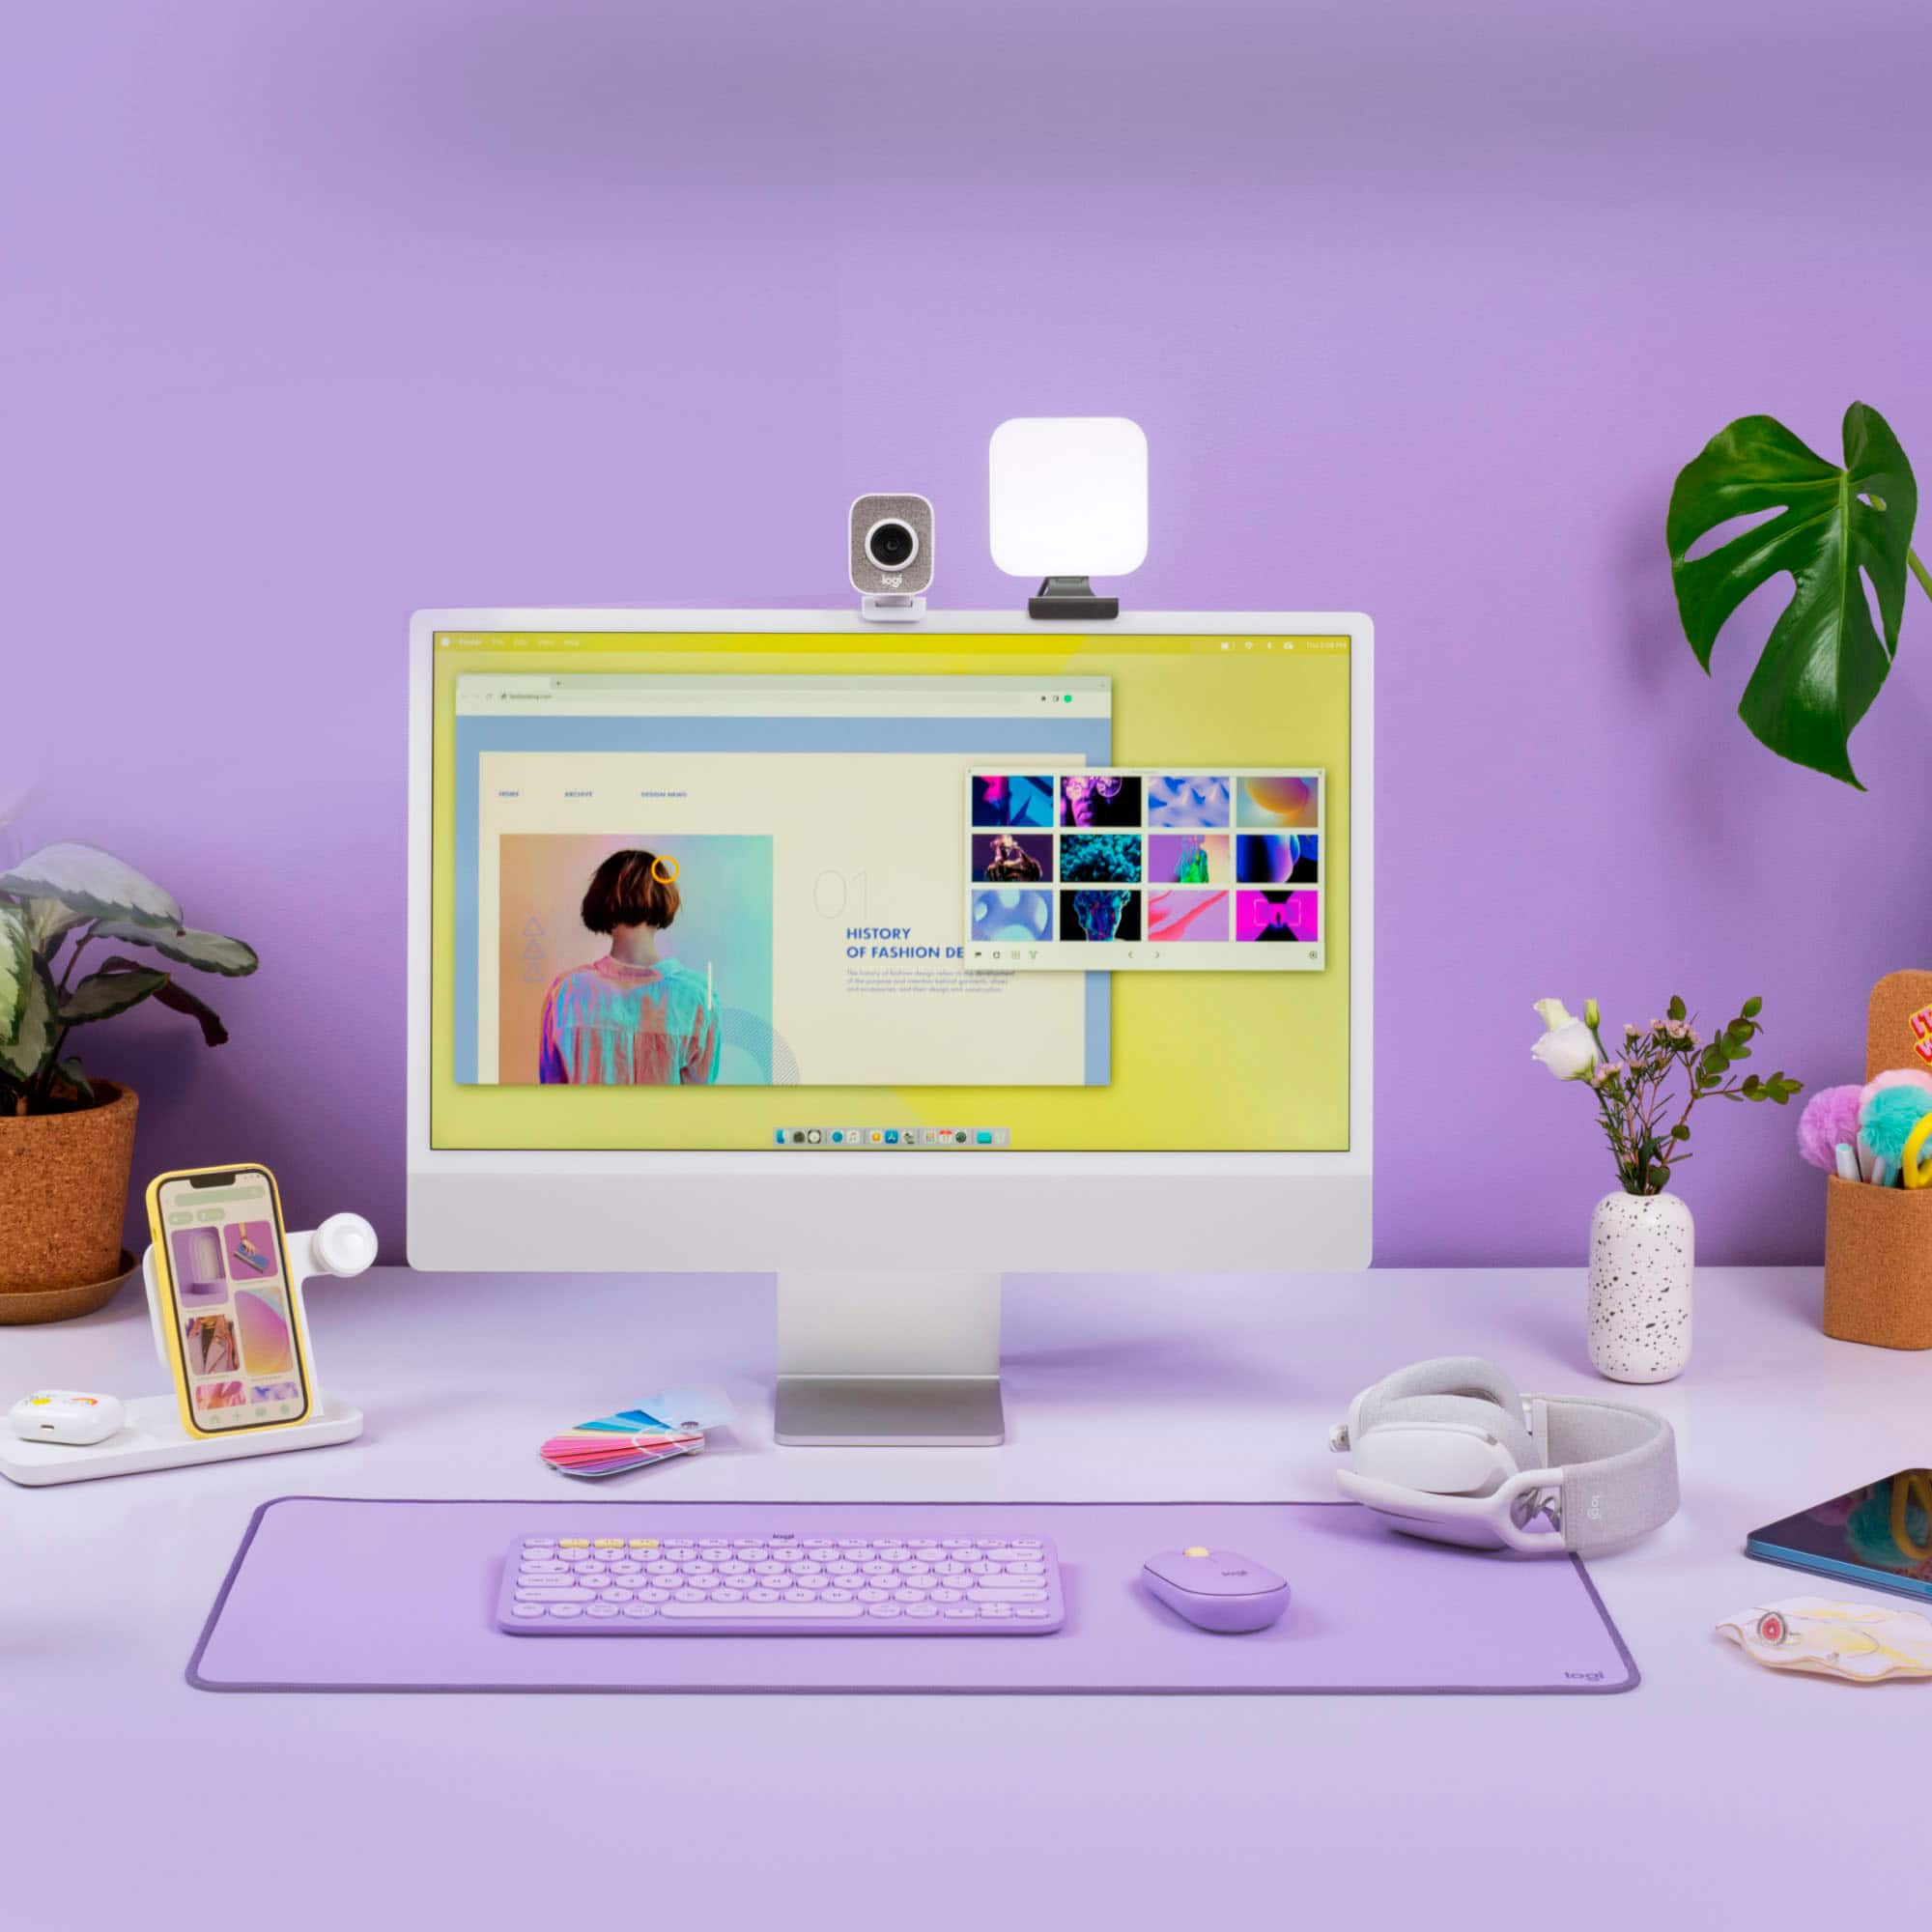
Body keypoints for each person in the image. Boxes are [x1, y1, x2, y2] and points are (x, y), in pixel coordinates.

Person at [538, 849, 721, 1085]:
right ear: (665, 897)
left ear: (600, 899)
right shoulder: (697, 996)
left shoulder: (566, 992)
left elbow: (551, 1088)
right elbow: (700, 1096)